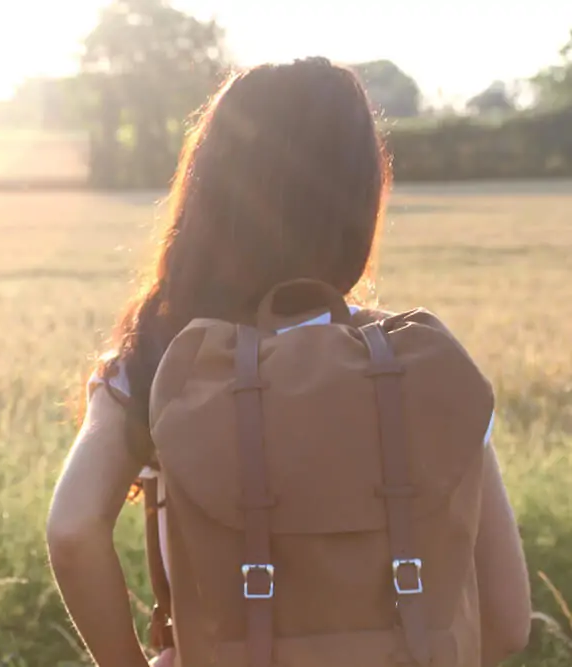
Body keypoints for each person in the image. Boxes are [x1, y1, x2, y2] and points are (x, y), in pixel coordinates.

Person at [45, 57, 532, 667]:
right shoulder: (420, 365)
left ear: (209, 190)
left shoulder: (156, 358)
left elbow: (71, 533)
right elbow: (509, 623)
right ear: (360, 197)